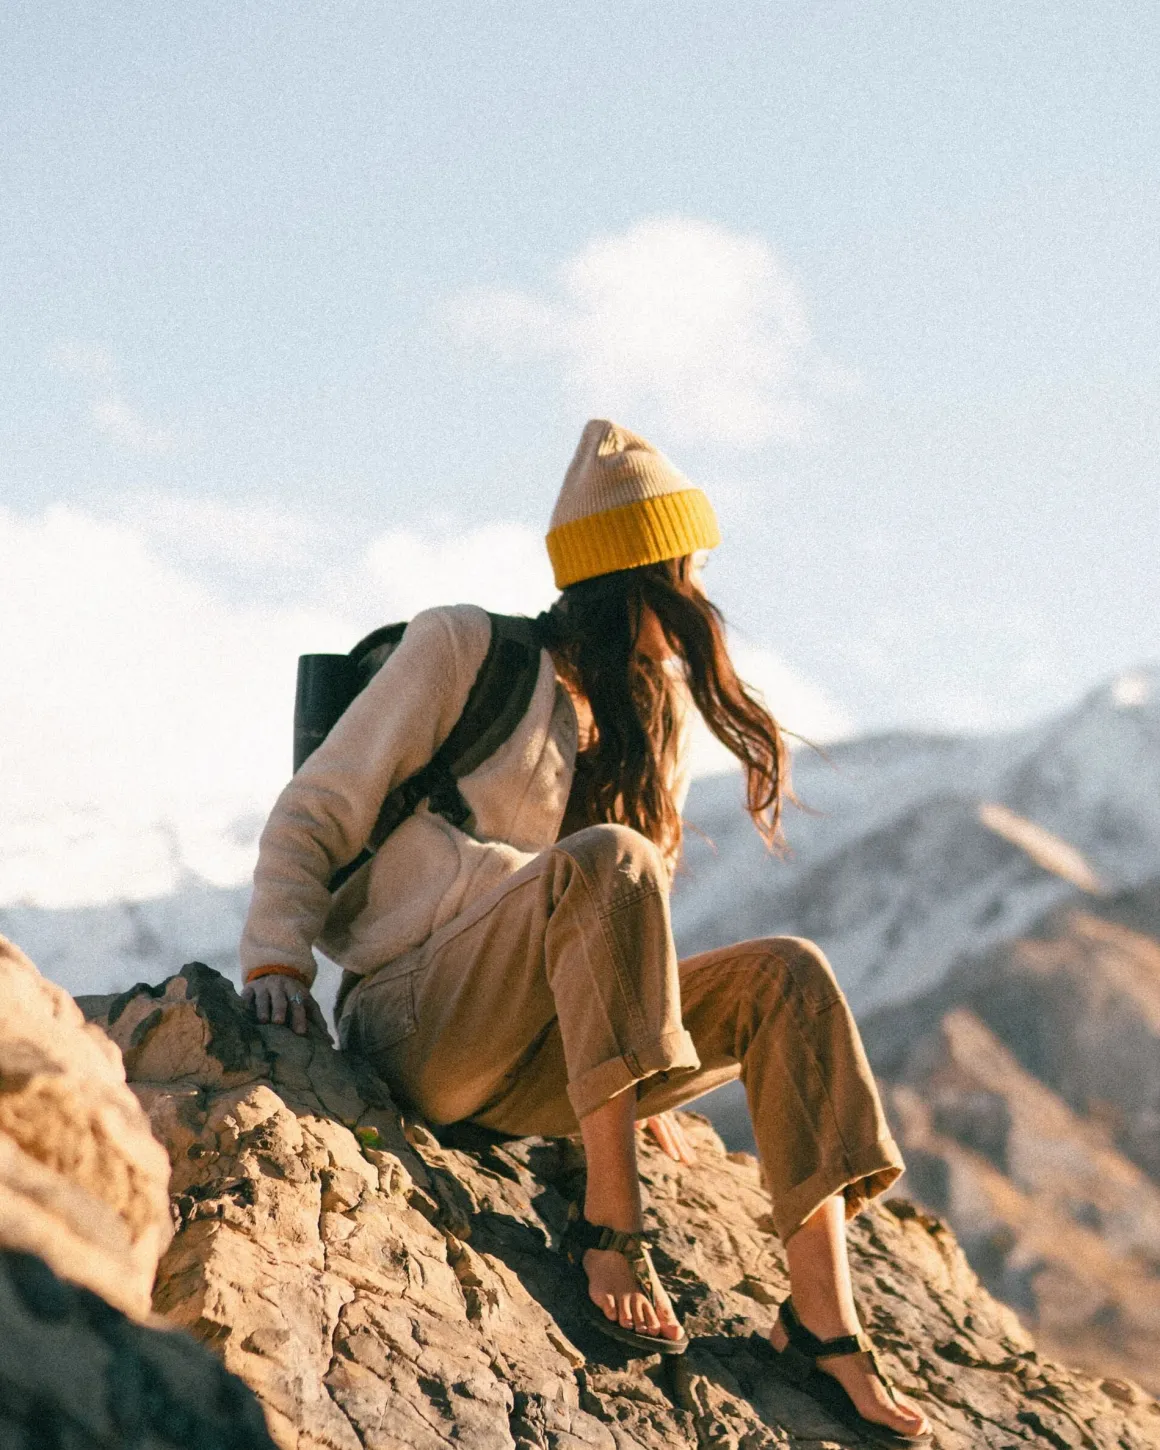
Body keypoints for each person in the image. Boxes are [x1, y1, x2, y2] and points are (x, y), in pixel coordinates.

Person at [240, 420, 931, 1444]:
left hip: (540, 1062)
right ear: (634, 576)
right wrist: (274, 961)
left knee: (787, 972)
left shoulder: (635, 717)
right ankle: (613, 1223)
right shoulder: (462, 648)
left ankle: (824, 1328)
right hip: (416, 1022)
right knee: (611, 854)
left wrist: (632, 1048)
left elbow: (615, 916)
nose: (701, 593)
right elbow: (317, 808)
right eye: (684, 570)